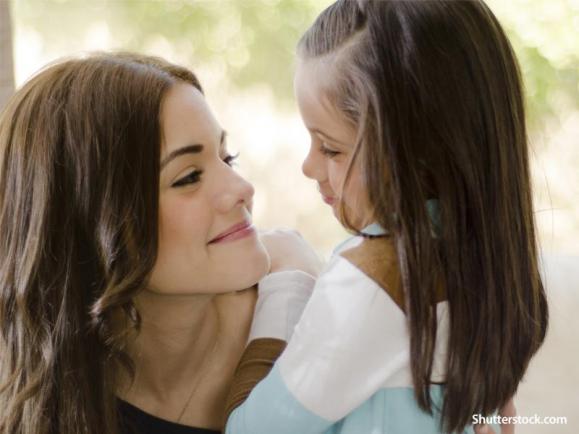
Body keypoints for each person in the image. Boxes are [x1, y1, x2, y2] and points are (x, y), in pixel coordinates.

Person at [225, 1, 548, 433]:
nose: (309, 166)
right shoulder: (488, 269)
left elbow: (253, 429)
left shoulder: (375, 276)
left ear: (418, 154)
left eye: (331, 148)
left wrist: (290, 278)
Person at [0, 52, 323, 434]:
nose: (242, 190)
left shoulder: (310, 318)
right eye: (188, 178)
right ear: (91, 225)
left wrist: (290, 297)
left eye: (227, 158)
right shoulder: (38, 392)